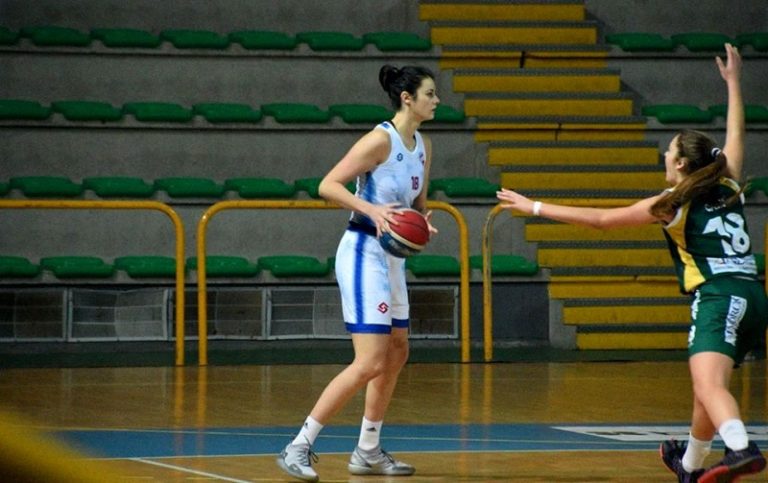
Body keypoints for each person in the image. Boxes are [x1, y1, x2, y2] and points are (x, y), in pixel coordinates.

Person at [497, 43, 766, 483]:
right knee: (705, 390)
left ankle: (741, 448)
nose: (663, 155)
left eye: (668, 151)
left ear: (680, 164)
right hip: (755, 296)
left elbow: (601, 221)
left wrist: (535, 207)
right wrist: (735, 83)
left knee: (710, 386)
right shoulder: (728, 180)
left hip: (719, 296)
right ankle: (690, 467)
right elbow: (738, 135)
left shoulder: (671, 203)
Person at [276, 64, 439, 482]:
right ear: (407, 98)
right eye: (430, 94)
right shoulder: (378, 139)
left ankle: (367, 449)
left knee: (398, 350)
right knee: (369, 361)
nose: (436, 101)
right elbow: (328, 185)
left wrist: (422, 223)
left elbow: (415, 206)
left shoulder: (423, 145)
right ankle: (299, 445)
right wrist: (372, 210)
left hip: (392, 256)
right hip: (363, 249)